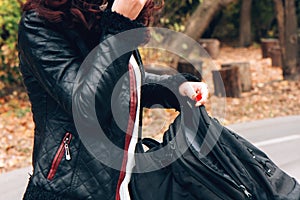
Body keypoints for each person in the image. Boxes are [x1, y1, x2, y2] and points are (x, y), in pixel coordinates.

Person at [18, 0, 209, 199]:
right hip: (69, 191)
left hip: (124, 188)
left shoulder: (104, 14)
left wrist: (175, 88)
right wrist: (119, 24)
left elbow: (121, 82)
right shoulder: (39, 24)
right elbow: (89, 106)